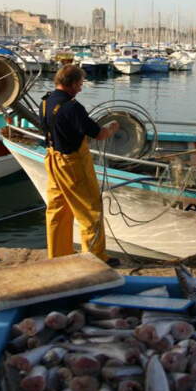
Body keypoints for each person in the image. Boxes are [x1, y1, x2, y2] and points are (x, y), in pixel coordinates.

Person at [41, 64, 121, 266]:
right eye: (80, 84)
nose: (81, 88)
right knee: (90, 211)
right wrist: (112, 128)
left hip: (52, 158)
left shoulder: (46, 101)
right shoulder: (73, 107)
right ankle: (95, 259)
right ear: (73, 83)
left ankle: (58, 255)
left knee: (57, 209)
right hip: (73, 164)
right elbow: (99, 134)